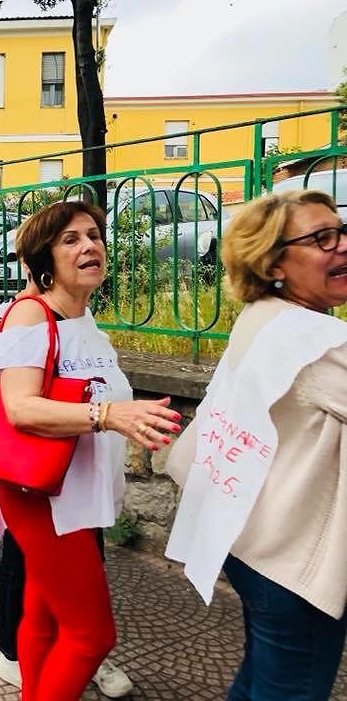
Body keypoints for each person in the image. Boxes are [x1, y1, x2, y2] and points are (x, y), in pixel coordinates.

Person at [0, 201, 179, 700]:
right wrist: (109, 416)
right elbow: (21, 408)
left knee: (44, 617)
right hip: (46, 498)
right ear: (43, 259)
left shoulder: (83, 319)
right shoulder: (31, 313)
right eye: (70, 239)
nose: (89, 245)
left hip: (74, 496)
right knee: (92, 634)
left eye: (93, 235)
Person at [166, 190, 347, 701]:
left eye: (341, 230)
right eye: (322, 238)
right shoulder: (315, 341)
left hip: (248, 538)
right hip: (292, 559)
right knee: (288, 687)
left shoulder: (265, 317)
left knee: (264, 677)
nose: (341, 246)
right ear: (273, 264)